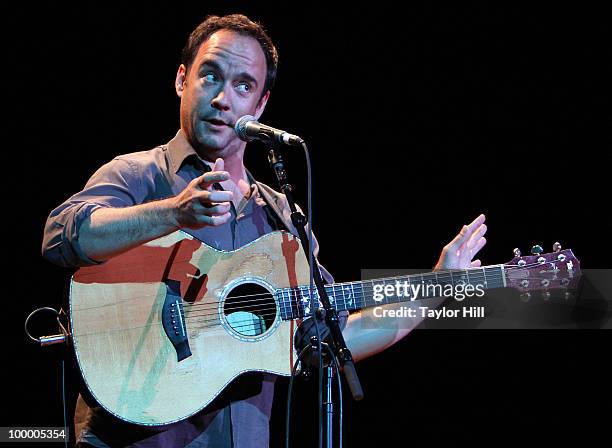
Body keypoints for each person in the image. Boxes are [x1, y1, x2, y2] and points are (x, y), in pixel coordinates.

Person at [42, 14, 487, 447]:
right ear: (182, 80)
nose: (223, 99)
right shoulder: (138, 175)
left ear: (261, 105)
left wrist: (433, 288)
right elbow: (63, 237)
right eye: (210, 76)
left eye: (242, 85)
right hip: (132, 437)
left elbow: (334, 336)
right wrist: (174, 213)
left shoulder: (283, 218)